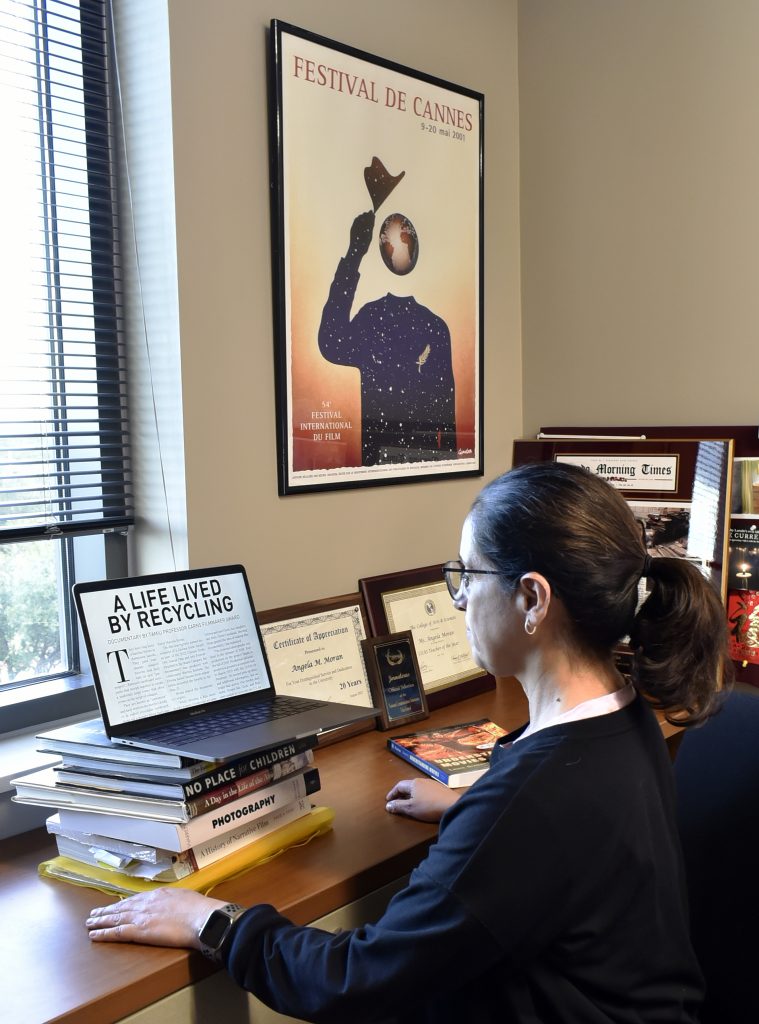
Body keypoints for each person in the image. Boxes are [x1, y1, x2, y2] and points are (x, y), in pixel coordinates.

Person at [85, 462, 729, 1023]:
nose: (458, 601)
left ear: (533, 599)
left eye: (467, 577)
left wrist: (210, 922)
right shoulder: (623, 717)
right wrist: (474, 811)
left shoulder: (533, 804)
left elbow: (355, 981)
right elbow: (566, 837)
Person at [318, 208, 457, 466]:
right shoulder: (433, 326)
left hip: (402, 470)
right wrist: (354, 254)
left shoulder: (380, 320)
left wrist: (354, 254)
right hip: (395, 470)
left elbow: (331, 341)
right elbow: (331, 343)